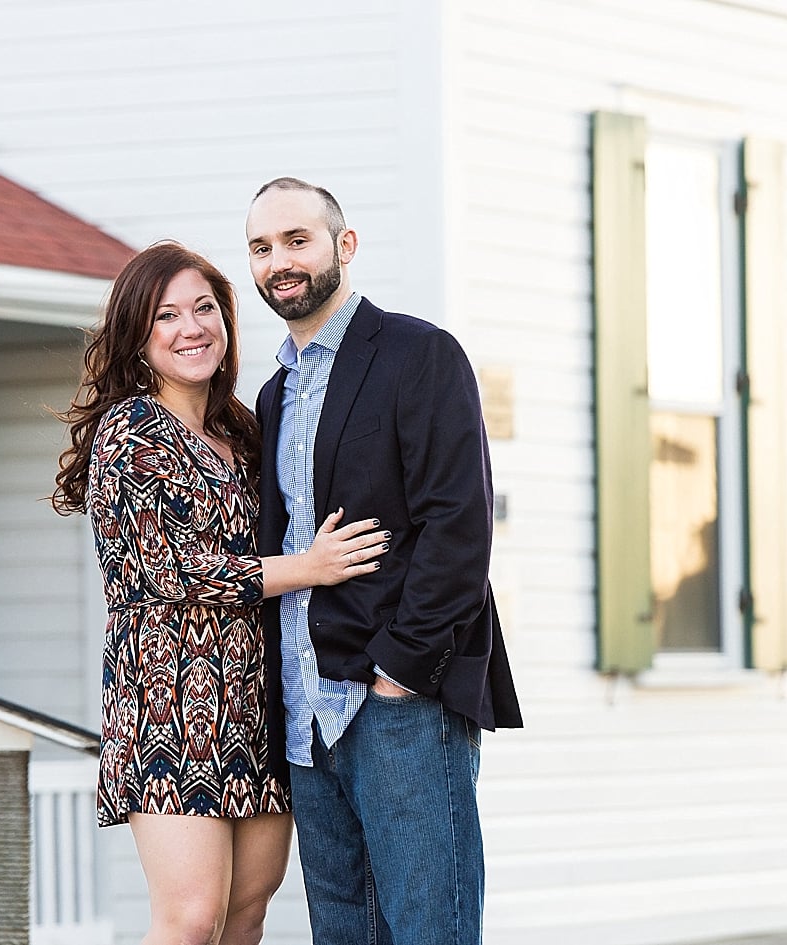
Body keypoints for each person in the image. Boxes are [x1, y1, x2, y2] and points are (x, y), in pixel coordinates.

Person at [51, 241, 389, 945]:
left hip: (258, 704)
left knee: (245, 912)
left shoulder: (245, 429)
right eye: (166, 315)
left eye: (204, 307)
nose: (191, 326)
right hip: (171, 706)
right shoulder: (133, 429)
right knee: (191, 916)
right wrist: (311, 566)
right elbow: (170, 569)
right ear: (140, 338)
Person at [245, 178, 523, 945]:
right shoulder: (274, 395)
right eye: (262, 248)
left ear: (345, 244)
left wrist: (400, 671)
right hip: (307, 719)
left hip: (398, 703)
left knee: (431, 929)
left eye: (297, 239)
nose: (279, 262)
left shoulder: (418, 354)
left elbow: (458, 527)